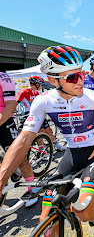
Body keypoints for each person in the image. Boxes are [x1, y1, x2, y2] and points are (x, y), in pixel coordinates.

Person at [0, 46, 94, 237]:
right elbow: (24, 139)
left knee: (83, 212)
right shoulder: (43, 101)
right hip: (72, 153)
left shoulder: (93, 97)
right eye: (72, 77)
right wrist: (1, 180)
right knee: (47, 221)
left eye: (81, 75)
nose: (80, 81)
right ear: (53, 80)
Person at [0, 71, 38, 207]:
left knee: (20, 159)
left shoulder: (3, 77)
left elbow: (11, 106)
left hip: (4, 122)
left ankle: (31, 189)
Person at [16, 76, 67, 151]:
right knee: (41, 131)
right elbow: (15, 103)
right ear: (36, 84)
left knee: (48, 129)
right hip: (29, 115)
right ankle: (41, 150)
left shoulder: (36, 92)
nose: (42, 86)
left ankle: (58, 146)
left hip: (39, 113)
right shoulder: (23, 91)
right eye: (41, 84)